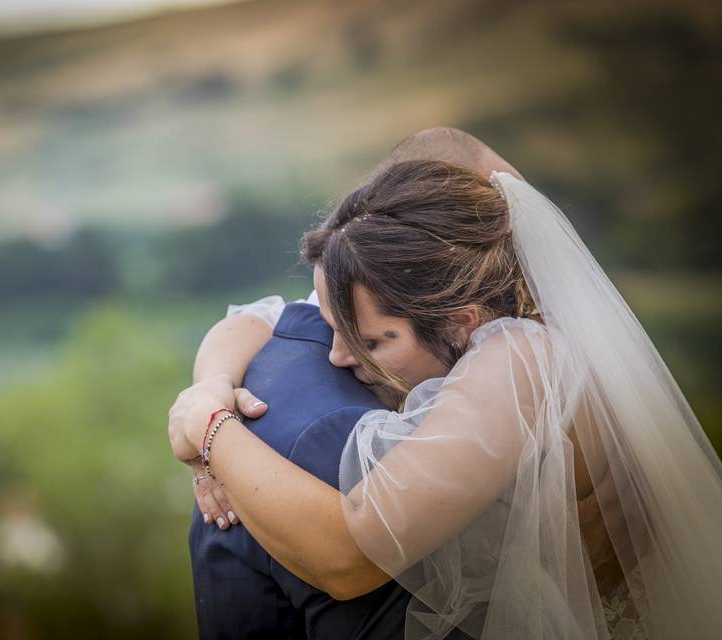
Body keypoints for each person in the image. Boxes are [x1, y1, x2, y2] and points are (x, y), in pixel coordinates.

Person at [168, 130, 722, 639]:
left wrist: (210, 429)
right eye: (339, 331)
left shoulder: (522, 360)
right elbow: (260, 319)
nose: (338, 356)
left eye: (371, 341)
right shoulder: (424, 297)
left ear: (462, 321)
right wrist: (209, 384)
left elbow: (351, 555)